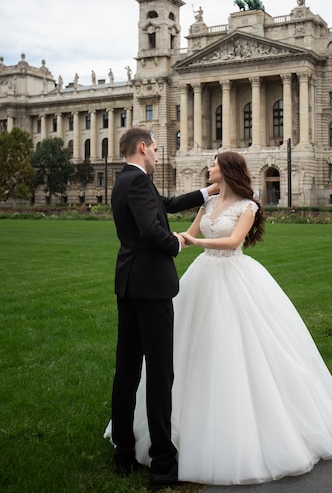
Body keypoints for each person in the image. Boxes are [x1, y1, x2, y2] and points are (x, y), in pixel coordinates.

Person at [131, 150, 332, 485]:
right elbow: (188, 234)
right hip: (202, 274)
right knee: (190, 346)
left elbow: (233, 242)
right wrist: (170, 240)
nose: (209, 167)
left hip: (233, 274)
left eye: (214, 164)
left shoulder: (248, 207)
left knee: (238, 346)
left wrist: (194, 240)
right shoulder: (208, 203)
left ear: (228, 170)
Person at [106, 127, 218, 488]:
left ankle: (123, 451)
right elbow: (154, 231)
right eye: (155, 149)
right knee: (159, 374)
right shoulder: (137, 183)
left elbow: (165, 205)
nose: (157, 154)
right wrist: (179, 243)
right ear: (142, 148)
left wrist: (206, 192)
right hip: (151, 288)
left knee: (126, 371)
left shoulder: (127, 180)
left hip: (129, 284)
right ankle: (163, 462)